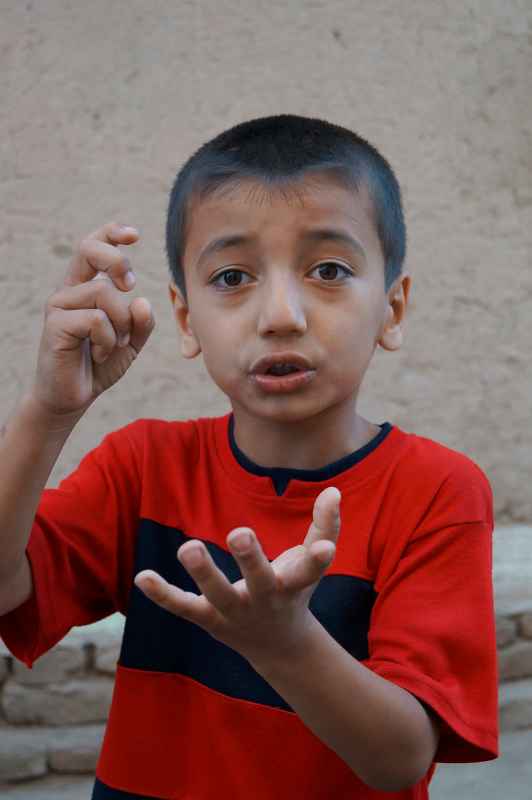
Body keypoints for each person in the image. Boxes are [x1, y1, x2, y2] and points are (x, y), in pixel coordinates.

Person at [0, 114, 498, 800]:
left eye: (328, 269)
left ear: (393, 308)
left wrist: (285, 643)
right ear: (184, 318)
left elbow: (400, 759)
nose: (281, 314)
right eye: (233, 276)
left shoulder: (437, 491)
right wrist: (47, 412)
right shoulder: (145, 468)